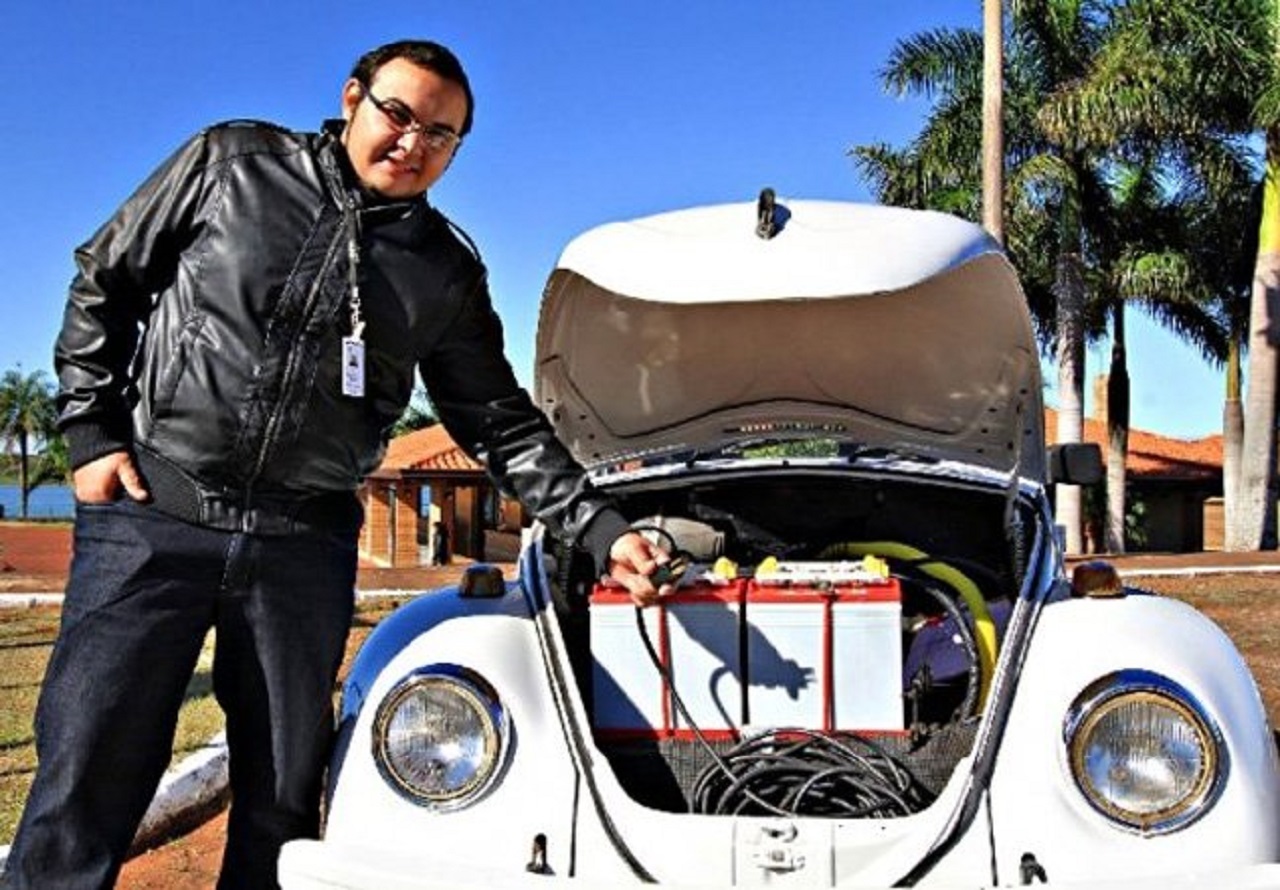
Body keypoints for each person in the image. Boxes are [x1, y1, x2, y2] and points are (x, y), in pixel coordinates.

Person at [2, 39, 668, 890]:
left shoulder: (444, 271)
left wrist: (601, 529)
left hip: (301, 546)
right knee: (86, 778)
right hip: (155, 515)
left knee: (282, 800)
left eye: (441, 134)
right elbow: (105, 281)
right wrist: (92, 436)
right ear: (354, 98)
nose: (414, 143)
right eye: (398, 114)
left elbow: (497, 421)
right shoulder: (232, 165)